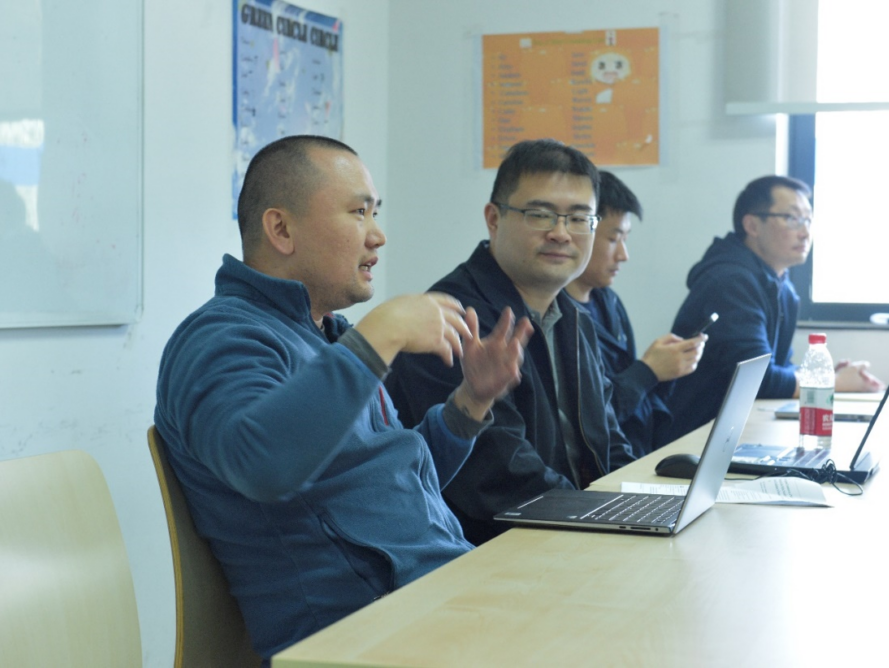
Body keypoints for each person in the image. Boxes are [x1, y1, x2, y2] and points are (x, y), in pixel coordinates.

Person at [154, 135, 532, 658]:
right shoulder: (219, 337)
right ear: (281, 229)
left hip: (439, 598)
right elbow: (260, 464)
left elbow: (391, 479)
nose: (378, 235)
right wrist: (380, 334)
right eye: (359, 212)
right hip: (363, 636)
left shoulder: (328, 335)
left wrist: (472, 399)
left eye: (376, 212)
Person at [386, 139, 635, 546]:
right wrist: (603, 517)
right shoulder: (453, 319)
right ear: (493, 218)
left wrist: (642, 504)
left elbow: (609, 441)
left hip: (573, 530)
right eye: (540, 214)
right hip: (493, 550)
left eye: (578, 218)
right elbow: (498, 477)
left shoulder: (573, 317)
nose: (560, 233)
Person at [659, 175, 882, 446]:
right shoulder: (731, 281)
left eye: (808, 220)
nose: (805, 232)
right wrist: (832, 382)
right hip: (695, 442)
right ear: (752, 225)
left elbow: (778, 367)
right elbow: (757, 380)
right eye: (792, 218)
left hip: (738, 434)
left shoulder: (781, 286)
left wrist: (822, 374)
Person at [564, 171, 705, 456]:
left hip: (635, 453)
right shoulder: (555, 315)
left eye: (625, 239)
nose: (623, 255)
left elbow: (630, 402)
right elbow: (590, 419)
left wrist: (667, 369)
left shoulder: (609, 301)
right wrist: (648, 371)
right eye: (613, 239)